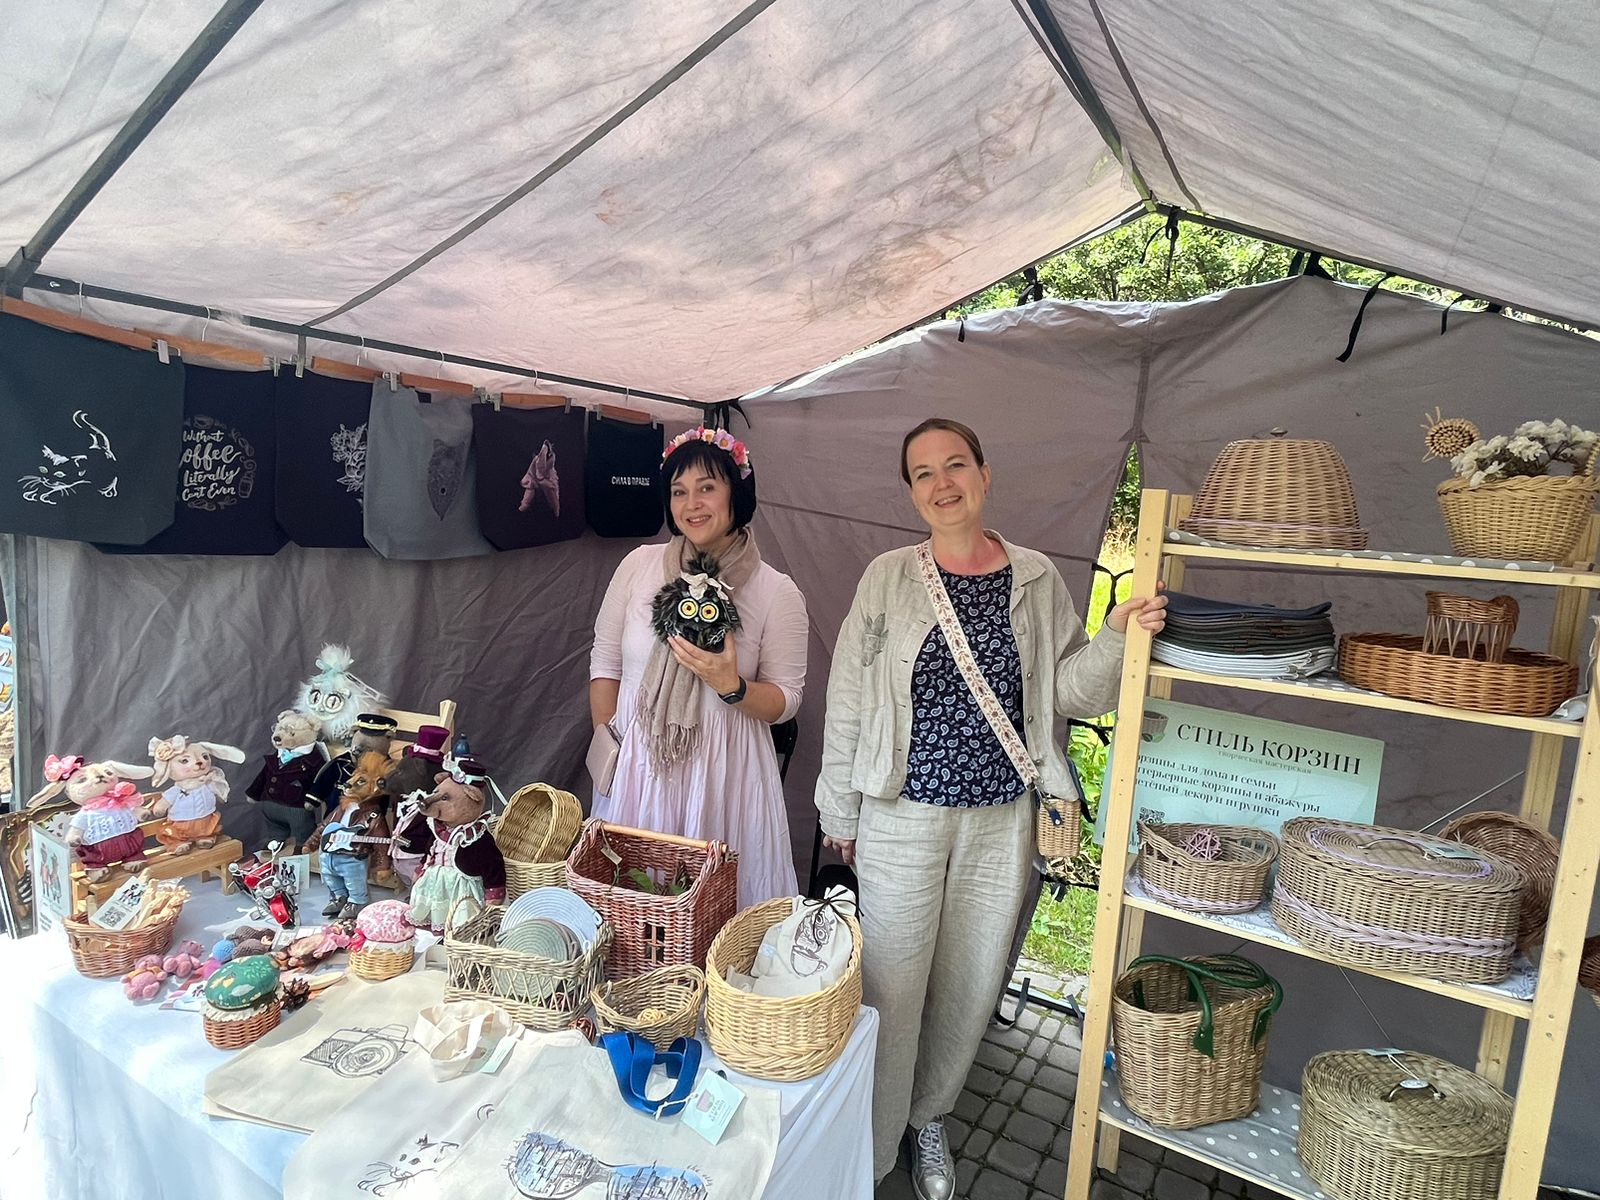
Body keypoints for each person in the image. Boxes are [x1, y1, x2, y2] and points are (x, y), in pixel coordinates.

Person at [814, 418, 1166, 1197]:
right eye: (923, 473)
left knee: (971, 982)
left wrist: (1114, 636)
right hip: (901, 816)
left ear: (984, 473)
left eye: (956, 465)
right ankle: (872, 1145)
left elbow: (1071, 690)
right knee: (892, 985)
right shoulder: (886, 579)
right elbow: (848, 699)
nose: (942, 484)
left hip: (1002, 821)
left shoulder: (1035, 577)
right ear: (911, 491)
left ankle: (928, 1117)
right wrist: (838, 808)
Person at [590, 426, 808, 907]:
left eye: (707, 487)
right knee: (629, 912)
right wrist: (614, 748)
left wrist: (732, 686)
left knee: (715, 917)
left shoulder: (776, 591)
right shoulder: (638, 566)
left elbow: (788, 698)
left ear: (736, 493)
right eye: (679, 491)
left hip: (724, 775)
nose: (692, 504)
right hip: (638, 769)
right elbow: (605, 663)